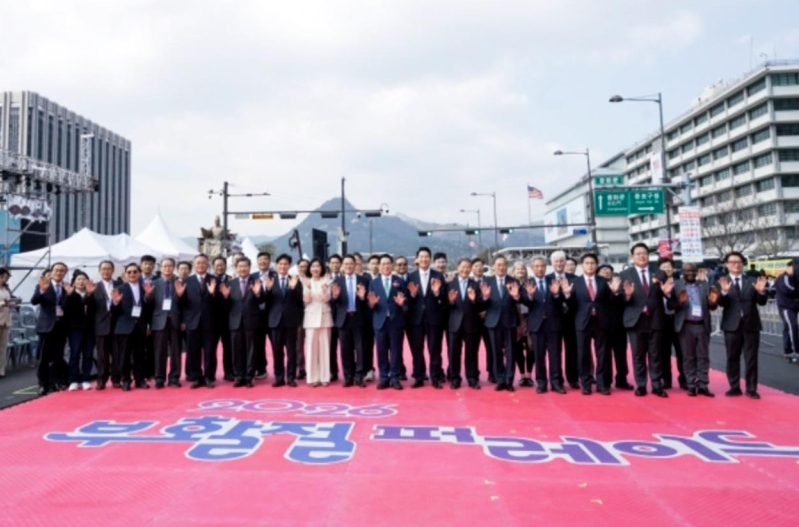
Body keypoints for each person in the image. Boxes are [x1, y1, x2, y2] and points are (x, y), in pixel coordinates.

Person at [715, 252, 769, 399]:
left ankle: (751, 388)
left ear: (743, 263)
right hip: (731, 326)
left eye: (738, 262)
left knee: (751, 358)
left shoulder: (752, 280)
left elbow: (762, 302)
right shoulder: (721, 282)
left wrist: (761, 292)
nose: (736, 265)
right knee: (732, 357)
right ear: (726, 264)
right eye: (732, 262)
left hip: (751, 325)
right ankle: (734, 387)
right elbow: (719, 303)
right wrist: (724, 292)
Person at [564, 253, 620, 396]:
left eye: (593, 263)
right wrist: (567, 295)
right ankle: (586, 383)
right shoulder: (575, 282)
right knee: (583, 354)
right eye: (587, 263)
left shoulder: (603, 282)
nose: (590, 266)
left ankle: (602, 384)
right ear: (582, 265)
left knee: (603, 354)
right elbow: (571, 305)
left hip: (601, 321)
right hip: (582, 322)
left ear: (596, 265)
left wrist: (615, 292)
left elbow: (611, 301)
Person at [620, 243, 669, 398]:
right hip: (636, 320)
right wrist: (627, 295)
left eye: (644, 253)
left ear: (649, 255)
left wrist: (667, 294)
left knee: (655, 354)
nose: (642, 256)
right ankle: (640, 385)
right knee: (638, 355)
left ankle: (656, 385)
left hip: (655, 318)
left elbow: (667, 293)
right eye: (638, 253)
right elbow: (621, 299)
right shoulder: (625, 275)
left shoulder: (659, 273)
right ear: (632, 256)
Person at [665, 263, 717, 397]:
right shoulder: (676, 286)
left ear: (696, 272)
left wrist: (713, 302)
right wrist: (679, 303)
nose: (690, 273)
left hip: (702, 324)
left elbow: (711, 306)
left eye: (693, 271)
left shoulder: (704, 285)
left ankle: (703, 384)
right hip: (685, 325)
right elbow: (670, 306)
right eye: (687, 271)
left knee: (703, 356)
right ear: (683, 272)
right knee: (688, 357)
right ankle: (691, 384)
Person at [520, 256, 567, 394]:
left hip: (554, 324)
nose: (540, 269)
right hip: (536, 325)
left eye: (542, 266)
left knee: (555, 355)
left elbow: (562, 302)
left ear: (546, 267)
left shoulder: (553, 281)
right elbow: (524, 302)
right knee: (538, 355)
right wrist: (530, 296)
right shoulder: (527, 283)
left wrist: (557, 294)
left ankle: (556, 382)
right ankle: (541, 383)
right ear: (532, 268)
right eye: (537, 266)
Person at [219, 257, 264, 388]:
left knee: (251, 350)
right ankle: (239, 376)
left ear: (250, 268)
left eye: (245, 266)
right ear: (236, 268)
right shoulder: (230, 283)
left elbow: (262, 302)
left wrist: (258, 294)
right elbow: (226, 307)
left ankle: (249, 376)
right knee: (236, 350)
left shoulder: (256, 281)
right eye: (240, 266)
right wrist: (226, 297)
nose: (243, 269)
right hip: (235, 322)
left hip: (252, 322)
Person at [406, 247, 447, 389]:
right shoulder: (411, 277)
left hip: (434, 318)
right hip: (416, 319)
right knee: (417, 349)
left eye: (426, 257)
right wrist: (412, 295)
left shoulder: (438, 276)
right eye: (421, 257)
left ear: (430, 259)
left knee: (434, 349)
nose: (424, 259)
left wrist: (437, 293)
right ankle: (418, 376)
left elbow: (444, 297)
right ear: (417, 259)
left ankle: (435, 377)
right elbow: (407, 299)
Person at [480, 255, 521, 392]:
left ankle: (509, 379)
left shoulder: (513, 281)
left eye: (504, 264)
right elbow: (480, 302)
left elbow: (519, 300)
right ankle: (500, 379)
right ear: (493, 267)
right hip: (493, 321)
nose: (501, 267)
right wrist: (484, 297)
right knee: (496, 351)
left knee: (511, 352)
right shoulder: (487, 281)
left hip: (510, 320)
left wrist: (516, 297)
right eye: (498, 265)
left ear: (507, 266)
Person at [367, 254, 408, 390]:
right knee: (381, 351)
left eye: (388, 264)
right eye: (383, 264)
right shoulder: (374, 282)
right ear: (379, 266)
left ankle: (395, 377)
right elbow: (371, 302)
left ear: (392, 266)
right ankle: (384, 377)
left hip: (395, 321)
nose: (386, 266)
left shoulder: (399, 281)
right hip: (380, 321)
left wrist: (402, 303)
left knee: (396, 351)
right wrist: (372, 304)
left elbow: (405, 300)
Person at [111, 263, 154, 391]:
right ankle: (125, 380)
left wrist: (148, 296)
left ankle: (139, 379)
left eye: (135, 272)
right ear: (125, 274)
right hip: (125, 326)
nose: (132, 274)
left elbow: (149, 308)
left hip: (140, 326)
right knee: (124, 356)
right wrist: (116, 302)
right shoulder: (120, 288)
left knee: (140, 355)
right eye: (129, 272)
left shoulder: (145, 288)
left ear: (139, 273)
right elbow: (113, 311)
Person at [264, 254, 304, 387]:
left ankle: (291, 377)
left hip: (291, 322)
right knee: (277, 351)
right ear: (276, 266)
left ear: (289, 266)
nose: (283, 266)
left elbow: (300, 301)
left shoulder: (295, 280)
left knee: (291, 351)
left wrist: (292, 289)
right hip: (275, 322)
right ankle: (279, 377)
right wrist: (268, 290)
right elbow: (267, 302)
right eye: (280, 264)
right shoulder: (271, 281)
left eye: (285, 264)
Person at [178, 254, 218, 389]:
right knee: (193, 351)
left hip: (210, 322)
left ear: (208, 264)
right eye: (198, 263)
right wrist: (180, 296)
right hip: (192, 321)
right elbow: (181, 304)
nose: (200, 265)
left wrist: (213, 294)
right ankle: (196, 377)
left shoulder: (214, 280)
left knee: (209, 351)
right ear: (194, 265)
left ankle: (209, 376)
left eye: (203, 263)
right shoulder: (186, 281)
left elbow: (222, 303)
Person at [330, 255, 369, 387]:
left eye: (351, 264)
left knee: (360, 348)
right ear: (342, 266)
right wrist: (334, 297)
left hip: (358, 318)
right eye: (345, 264)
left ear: (355, 265)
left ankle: (359, 376)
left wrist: (363, 298)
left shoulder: (363, 280)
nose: (348, 266)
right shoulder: (337, 281)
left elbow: (368, 302)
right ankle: (348, 376)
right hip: (343, 319)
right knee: (345, 349)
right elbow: (331, 302)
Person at [31, 262, 70, 395]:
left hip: (61, 327)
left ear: (65, 273)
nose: (59, 273)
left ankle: (55, 381)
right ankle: (43, 383)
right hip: (46, 327)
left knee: (58, 357)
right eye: (57, 270)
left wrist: (71, 295)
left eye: (62, 271)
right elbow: (34, 301)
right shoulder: (43, 285)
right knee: (44, 358)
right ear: (52, 272)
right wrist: (41, 291)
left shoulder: (67, 288)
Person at [446, 258, 483, 389]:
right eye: (463, 267)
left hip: (471, 323)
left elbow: (482, 305)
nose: (465, 270)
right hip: (454, 324)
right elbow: (445, 306)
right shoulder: (449, 284)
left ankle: (472, 378)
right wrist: (450, 302)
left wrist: (474, 301)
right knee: (454, 353)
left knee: (472, 353)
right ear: (458, 267)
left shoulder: (476, 284)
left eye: (468, 267)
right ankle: (455, 378)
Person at [85, 260, 120, 389]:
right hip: (101, 325)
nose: (106, 271)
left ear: (113, 270)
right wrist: (89, 293)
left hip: (117, 325)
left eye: (108, 269)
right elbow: (87, 303)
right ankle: (101, 379)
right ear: (100, 271)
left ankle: (116, 378)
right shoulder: (95, 286)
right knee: (102, 355)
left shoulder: (119, 284)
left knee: (117, 354)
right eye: (103, 269)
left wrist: (116, 303)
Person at [597, 264, 633, 390]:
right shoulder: (596, 286)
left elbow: (625, 301)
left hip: (619, 325)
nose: (606, 272)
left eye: (608, 270)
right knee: (604, 355)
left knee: (621, 355)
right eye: (602, 270)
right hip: (602, 326)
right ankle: (605, 381)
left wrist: (618, 292)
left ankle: (621, 379)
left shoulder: (621, 284)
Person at [150, 258, 183, 388]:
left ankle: (174, 378)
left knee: (176, 351)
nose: (167, 268)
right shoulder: (154, 284)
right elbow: (148, 304)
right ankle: (159, 378)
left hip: (175, 320)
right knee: (160, 351)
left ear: (174, 268)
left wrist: (181, 295)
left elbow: (186, 305)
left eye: (170, 266)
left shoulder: (179, 283)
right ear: (161, 268)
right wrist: (148, 296)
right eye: (165, 266)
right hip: (159, 321)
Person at [548, 251, 578, 389]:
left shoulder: (575, 279)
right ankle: (556, 380)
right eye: (556, 261)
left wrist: (568, 295)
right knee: (555, 351)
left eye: (561, 261)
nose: (559, 264)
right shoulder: (547, 279)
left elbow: (578, 300)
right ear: (552, 263)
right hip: (553, 320)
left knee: (572, 350)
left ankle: (573, 378)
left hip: (572, 320)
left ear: (565, 262)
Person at [302, 258, 334, 386]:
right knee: (311, 349)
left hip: (325, 316)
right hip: (310, 318)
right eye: (313, 266)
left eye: (318, 266)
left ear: (322, 268)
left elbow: (327, 299)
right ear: (309, 269)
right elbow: (306, 299)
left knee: (325, 348)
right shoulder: (306, 281)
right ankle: (312, 378)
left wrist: (325, 287)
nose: (315, 269)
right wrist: (308, 287)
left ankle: (325, 377)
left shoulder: (327, 281)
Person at [658, 257, 686, 390]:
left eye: (668, 266)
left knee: (682, 352)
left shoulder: (680, 283)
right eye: (663, 267)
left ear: (673, 268)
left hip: (678, 321)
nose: (666, 269)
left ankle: (684, 379)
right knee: (663, 353)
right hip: (662, 321)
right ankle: (666, 380)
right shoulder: (656, 284)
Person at [65, 270, 95, 391]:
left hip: (89, 328)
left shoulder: (92, 293)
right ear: (74, 282)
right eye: (79, 279)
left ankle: (86, 379)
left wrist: (89, 295)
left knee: (88, 354)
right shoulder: (70, 293)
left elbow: (94, 308)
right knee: (74, 354)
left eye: (84, 279)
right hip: (75, 329)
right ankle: (73, 379)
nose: (81, 281)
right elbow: (65, 309)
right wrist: (69, 296)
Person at [251, 251, 275, 380]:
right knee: (258, 344)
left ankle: (279, 370)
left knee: (276, 344)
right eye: (260, 260)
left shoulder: (275, 276)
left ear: (270, 261)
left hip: (273, 315)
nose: (263, 262)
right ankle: (260, 369)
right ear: (257, 262)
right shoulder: (251, 277)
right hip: (256, 317)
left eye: (265, 259)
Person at [471, 257, 494, 383]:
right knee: (473, 347)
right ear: (471, 268)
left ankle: (492, 371)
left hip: (489, 318)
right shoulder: (468, 282)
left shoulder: (490, 281)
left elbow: (494, 299)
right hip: (474, 320)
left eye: (480, 266)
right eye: (475, 266)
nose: (478, 268)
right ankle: (474, 373)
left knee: (491, 346)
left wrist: (487, 312)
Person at [511, 261, 534, 387]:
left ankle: (529, 375)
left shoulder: (530, 283)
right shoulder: (509, 284)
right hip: (515, 320)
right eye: (517, 269)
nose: (520, 271)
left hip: (529, 319)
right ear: (513, 271)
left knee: (531, 348)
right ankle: (522, 375)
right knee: (517, 348)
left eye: (522, 269)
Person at [211, 256, 234, 382]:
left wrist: (227, 297)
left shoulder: (232, 280)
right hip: (212, 320)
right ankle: (211, 374)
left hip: (228, 319)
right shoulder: (209, 280)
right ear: (213, 266)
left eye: (221, 265)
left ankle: (229, 372)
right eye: (217, 265)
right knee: (211, 348)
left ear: (225, 266)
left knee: (229, 347)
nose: (219, 267)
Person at [775, 260, 799, 363]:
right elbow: (788, 290)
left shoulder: (796, 278)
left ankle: (788, 350)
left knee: (788, 327)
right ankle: (795, 351)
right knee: (792, 326)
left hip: (795, 305)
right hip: (786, 306)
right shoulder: (783, 277)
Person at [0, 268, 21, 378]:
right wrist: (3, 303)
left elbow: (10, 301)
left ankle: (1, 369)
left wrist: (14, 302)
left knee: (3, 346)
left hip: (6, 319)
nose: (4, 279)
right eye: (2, 277)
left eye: (5, 277)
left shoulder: (6, 289)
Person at [140, 255, 158, 380]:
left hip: (154, 317)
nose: (148, 266)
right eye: (145, 263)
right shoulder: (134, 278)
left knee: (153, 346)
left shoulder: (157, 280)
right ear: (141, 265)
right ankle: (140, 372)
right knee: (139, 347)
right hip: (138, 317)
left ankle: (151, 372)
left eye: (150, 264)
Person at [327, 254, 343, 383]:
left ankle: (349, 372)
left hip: (344, 318)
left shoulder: (346, 278)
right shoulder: (325, 279)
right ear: (329, 264)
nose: (335, 265)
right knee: (331, 347)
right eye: (332, 263)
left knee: (346, 347)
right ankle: (333, 371)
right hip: (329, 317)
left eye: (337, 262)